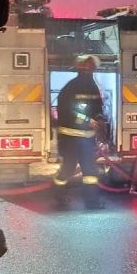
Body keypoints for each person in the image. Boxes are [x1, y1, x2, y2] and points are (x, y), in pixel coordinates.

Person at [52, 55, 106, 210]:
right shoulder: (71, 87)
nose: (89, 69)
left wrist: (99, 118)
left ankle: (92, 201)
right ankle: (59, 195)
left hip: (86, 139)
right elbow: (68, 109)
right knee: (68, 168)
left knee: (90, 171)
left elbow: (97, 107)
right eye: (86, 66)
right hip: (69, 138)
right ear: (79, 67)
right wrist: (87, 120)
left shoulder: (93, 86)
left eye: (91, 66)